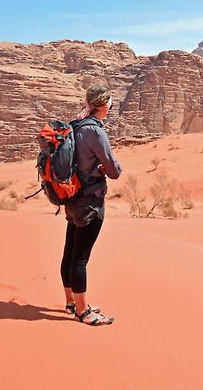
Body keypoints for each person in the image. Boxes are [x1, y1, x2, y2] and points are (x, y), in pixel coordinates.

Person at [60, 83, 122, 326]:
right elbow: (114, 170)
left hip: (72, 197)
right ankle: (84, 312)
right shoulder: (95, 132)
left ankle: (71, 302)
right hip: (90, 202)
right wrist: (103, 168)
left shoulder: (74, 126)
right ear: (105, 105)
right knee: (80, 258)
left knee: (69, 253)